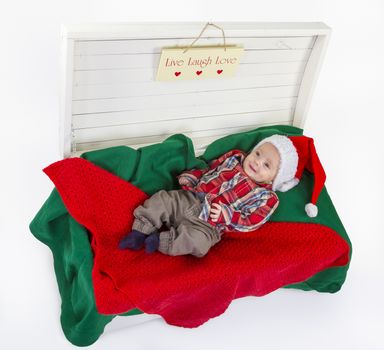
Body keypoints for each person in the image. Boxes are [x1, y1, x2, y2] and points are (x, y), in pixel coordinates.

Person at [119, 134, 326, 257]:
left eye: (266, 165)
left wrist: (228, 215)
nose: (256, 162)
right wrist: (193, 178)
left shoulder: (266, 197)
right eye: (258, 154)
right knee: (163, 199)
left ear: (275, 179)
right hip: (191, 199)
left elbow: (251, 221)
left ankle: (160, 241)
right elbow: (210, 170)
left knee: (199, 244)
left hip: (210, 225)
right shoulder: (234, 158)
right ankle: (140, 230)